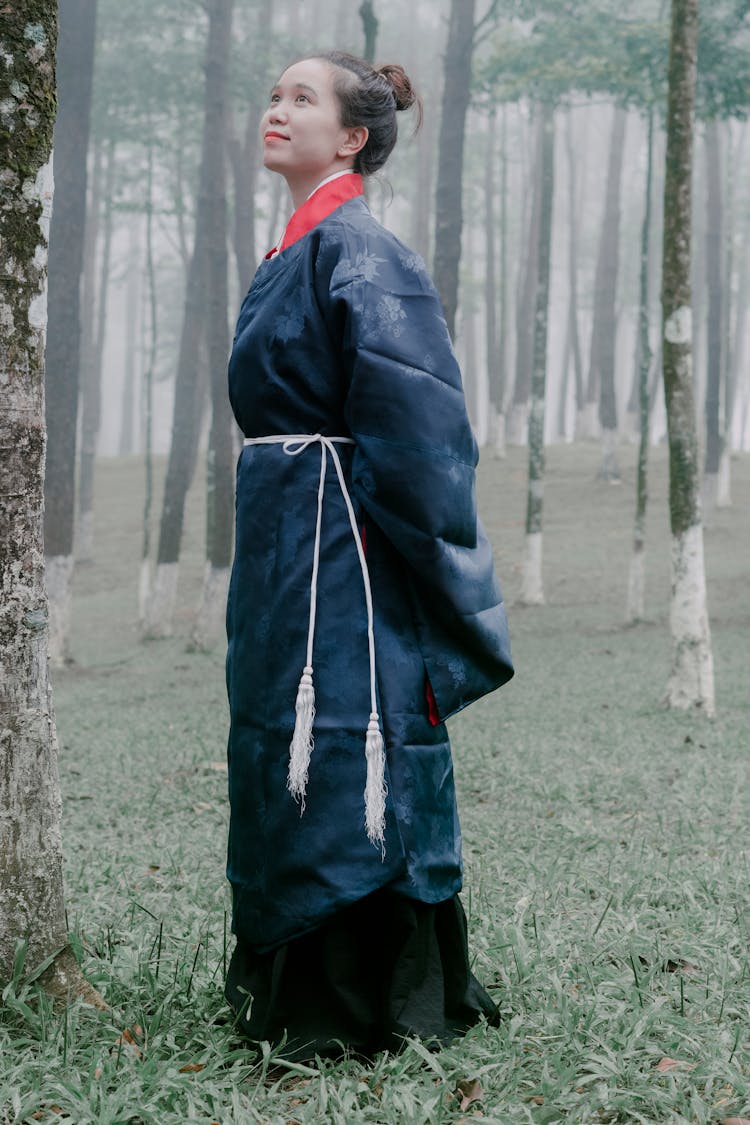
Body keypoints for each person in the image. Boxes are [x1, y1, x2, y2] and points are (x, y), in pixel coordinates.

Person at [224, 50, 514, 1061]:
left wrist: (433, 575)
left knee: (349, 737)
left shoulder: (364, 253)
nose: (277, 110)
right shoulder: (291, 252)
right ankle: (289, 979)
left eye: (301, 98)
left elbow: (419, 427)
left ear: (352, 136)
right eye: (274, 94)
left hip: (349, 551)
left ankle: (361, 1000)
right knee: (278, 736)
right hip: (282, 547)